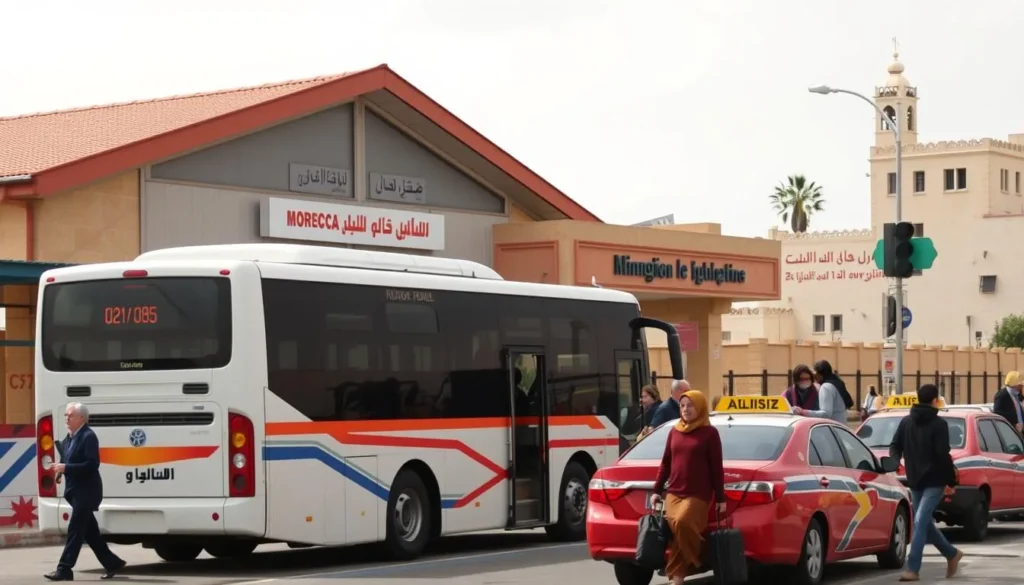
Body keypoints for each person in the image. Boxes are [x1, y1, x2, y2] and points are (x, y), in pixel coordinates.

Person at [650, 390, 726, 585]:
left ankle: (701, 558)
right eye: (682, 406)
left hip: (698, 494)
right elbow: (666, 462)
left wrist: (720, 498)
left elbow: (717, 467)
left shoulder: (710, 433)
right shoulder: (674, 431)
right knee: (678, 537)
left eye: (690, 405)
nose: (685, 409)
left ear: (699, 407)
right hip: (674, 492)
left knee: (683, 523)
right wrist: (657, 490)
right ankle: (678, 581)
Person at [889, 384, 963, 581]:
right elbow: (943, 455)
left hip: (928, 481)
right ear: (934, 400)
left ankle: (912, 568)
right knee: (924, 524)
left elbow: (894, 447)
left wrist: (896, 461)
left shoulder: (906, 422)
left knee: (920, 521)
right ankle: (951, 553)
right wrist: (952, 481)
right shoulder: (937, 424)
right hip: (923, 480)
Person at [46, 403, 126, 581]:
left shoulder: (88, 436)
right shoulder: (69, 438)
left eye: (71, 415)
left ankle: (64, 568)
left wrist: (66, 467)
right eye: (66, 415)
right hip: (74, 492)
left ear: (82, 418)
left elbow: (92, 464)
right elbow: (65, 459)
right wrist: (61, 470)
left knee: (75, 530)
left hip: (87, 492)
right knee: (90, 532)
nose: (67, 418)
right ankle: (112, 562)